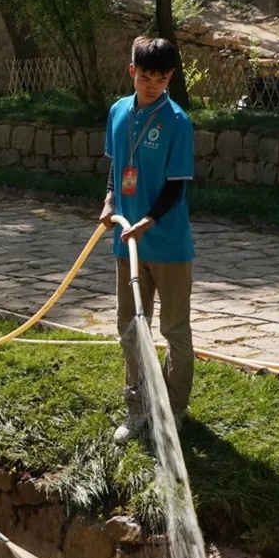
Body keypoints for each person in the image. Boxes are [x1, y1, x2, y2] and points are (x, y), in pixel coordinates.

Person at [99, 36, 195, 445]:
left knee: (174, 330)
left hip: (167, 245)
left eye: (160, 78)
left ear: (170, 76)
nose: (151, 84)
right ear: (131, 71)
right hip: (126, 244)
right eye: (144, 77)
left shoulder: (176, 122)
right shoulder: (119, 111)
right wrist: (108, 201)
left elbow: (176, 187)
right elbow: (115, 168)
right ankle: (136, 408)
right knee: (131, 328)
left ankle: (172, 410)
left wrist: (148, 221)